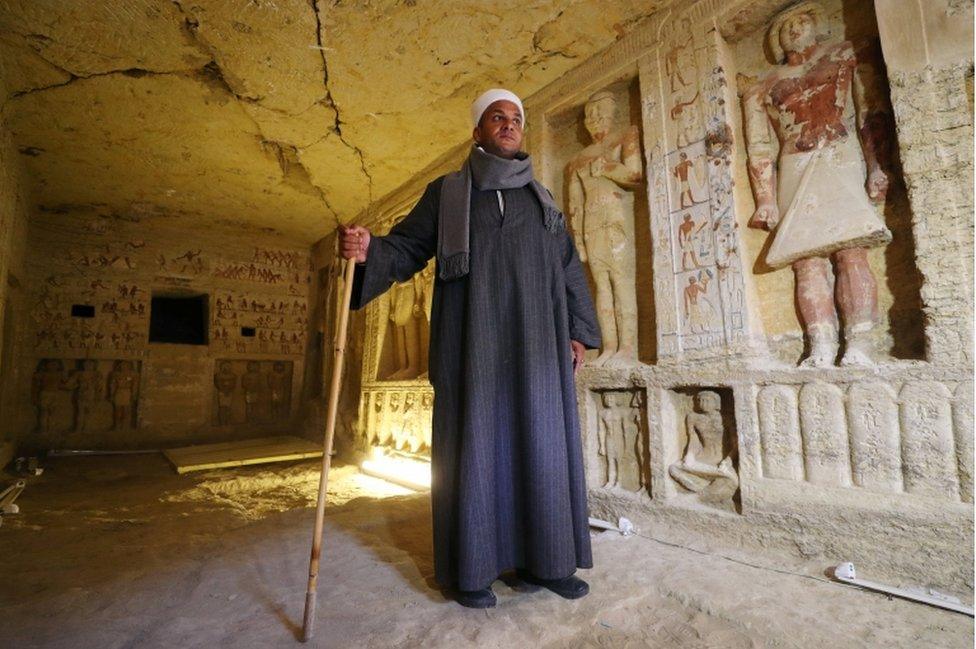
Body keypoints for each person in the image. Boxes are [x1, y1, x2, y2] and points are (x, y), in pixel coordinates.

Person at [339, 89, 601, 609]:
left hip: (535, 348)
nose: (509, 125)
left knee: (542, 444)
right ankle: (472, 571)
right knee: (476, 448)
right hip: (472, 344)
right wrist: (371, 250)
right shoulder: (448, 193)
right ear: (477, 132)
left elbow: (568, 266)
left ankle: (546, 564)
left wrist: (578, 330)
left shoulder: (543, 200)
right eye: (496, 118)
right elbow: (410, 246)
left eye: (516, 120)